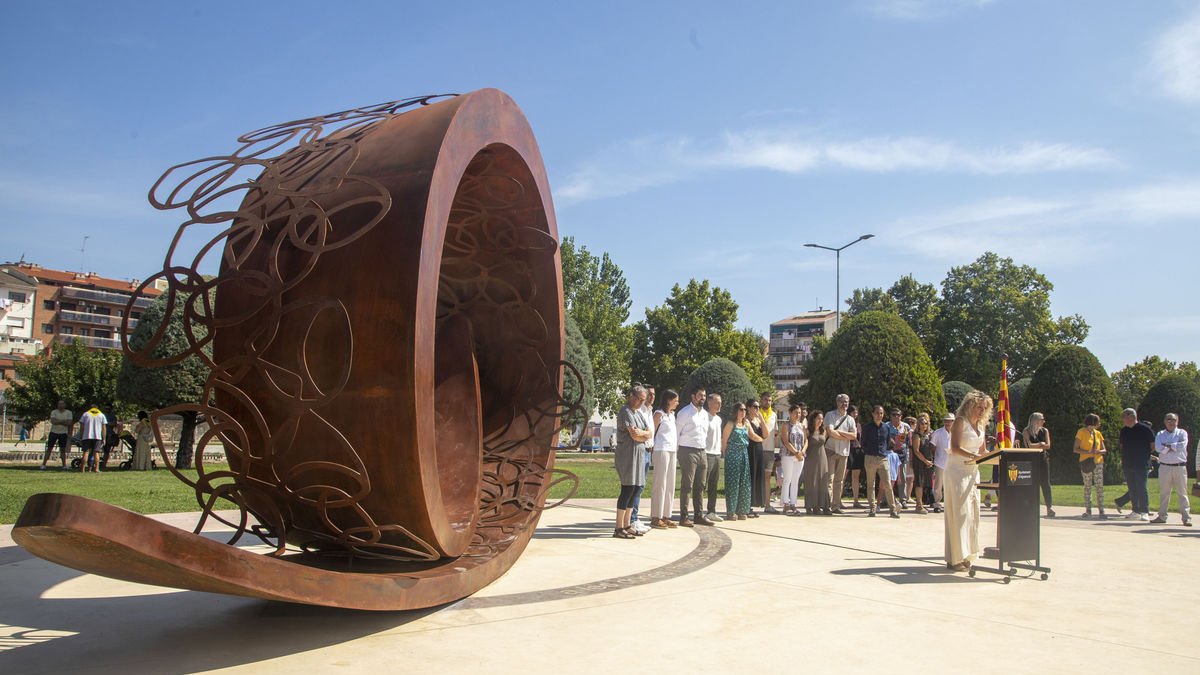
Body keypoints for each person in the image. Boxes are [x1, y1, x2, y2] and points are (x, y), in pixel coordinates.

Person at [945, 390, 991, 572]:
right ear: (970, 405)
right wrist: (974, 456)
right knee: (959, 514)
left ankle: (967, 554)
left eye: (984, 408)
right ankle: (954, 558)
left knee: (972, 514)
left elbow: (983, 451)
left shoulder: (981, 425)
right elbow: (955, 448)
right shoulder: (960, 422)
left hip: (973, 472)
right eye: (979, 407)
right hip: (957, 471)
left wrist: (999, 453)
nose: (981, 411)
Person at [613, 386, 651, 539]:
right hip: (628, 456)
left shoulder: (639, 414)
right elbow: (634, 435)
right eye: (638, 399)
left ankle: (627, 524)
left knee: (635, 489)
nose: (640, 402)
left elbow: (649, 433)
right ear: (631, 396)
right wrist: (643, 434)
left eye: (643, 400)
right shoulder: (625, 411)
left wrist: (643, 434)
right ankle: (618, 527)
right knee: (627, 489)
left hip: (639, 456)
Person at [675, 388, 713, 527]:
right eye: (700, 395)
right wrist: (676, 453)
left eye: (704, 395)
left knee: (701, 485)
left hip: (702, 451)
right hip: (687, 450)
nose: (702, 398)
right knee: (687, 485)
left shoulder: (705, 414)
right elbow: (676, 433)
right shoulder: (684, 413)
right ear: (693, 396)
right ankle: (684, 516)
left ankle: (698, 515)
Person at [1151, 413, 1191, 526]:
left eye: (1173, 420)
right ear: (1165, 421)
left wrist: (1167, 446)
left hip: (1179, 466)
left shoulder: (1182, 433)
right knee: (1164, 493)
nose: (1171, 422)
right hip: (1164, 467)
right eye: (1168, 420)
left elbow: (1181, 446)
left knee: (1182, 493)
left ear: (1177, 421)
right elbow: (1158, 448)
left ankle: (1186, 517)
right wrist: (1172, 446)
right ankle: (1162, 516)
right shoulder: (1160, 434)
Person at [723, 402, 761, 520]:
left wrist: (763, 439)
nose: (743, 411)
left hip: (744, 453)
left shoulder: (746, 423)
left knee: (744, 482)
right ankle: (731, 512)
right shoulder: (730, 423)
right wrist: (725, 455)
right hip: (733, 455)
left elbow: (752, 435)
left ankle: (742, 510)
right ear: (736, 411)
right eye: (741, 409)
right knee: (733, 483)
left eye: (745, 410)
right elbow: (724, 441)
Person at [1115, 408, 1154, 521]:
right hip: (1128, 464)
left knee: (1142, 488)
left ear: (1132, 417)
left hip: (1141, 464)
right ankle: (1135, 510)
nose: (1124, 420)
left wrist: (1143, 455)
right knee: (1132, 488)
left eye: (1125, 417)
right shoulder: (1124, 431)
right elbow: (1122, 446)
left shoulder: (1145, 429)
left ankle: (1144, 511)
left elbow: (1152, 446)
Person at [862, 405, 900, 518]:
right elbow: (863, 442)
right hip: (870, 457)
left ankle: (892, 510)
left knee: (888, 484)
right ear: (873, 414)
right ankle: (872, 508)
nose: (879, 415)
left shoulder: (886, 427)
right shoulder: (867, 427)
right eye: (877, 413)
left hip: (883, 458)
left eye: (881, 413)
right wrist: (869, 452)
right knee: (871, 484)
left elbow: (888, 442)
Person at [650, 390, 680, 529]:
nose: (677, 403)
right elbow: (652, 433)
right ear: (669, 400)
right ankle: (656, 516)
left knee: (670, 484)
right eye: (675, 400)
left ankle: (666, 515)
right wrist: (650, 451)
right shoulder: (658, 414)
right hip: (661, 450)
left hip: (672, 450)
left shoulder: (672, 415)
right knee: (660, 484)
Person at [629, 385, 656, 533]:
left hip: (647, 450)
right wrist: (646, 434)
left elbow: (649, 432)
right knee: (635, 486)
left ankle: (635, 517)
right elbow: (637, 433)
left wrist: (646, 434)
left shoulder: (649, 411)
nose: (651, 397)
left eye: (653, 395)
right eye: (649, 394)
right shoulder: (638, 411)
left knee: (641, 486)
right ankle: (632, 519)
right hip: (639, 450)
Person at [824, 394, 856, 513]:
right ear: (837, 402)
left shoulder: (850, 419)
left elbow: (854, 436)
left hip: (844, 452)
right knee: (829, 480)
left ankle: (836, 506)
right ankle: (827, 506)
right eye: (842, 402)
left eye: (847, 402)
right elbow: (830, 433)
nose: (845, 404)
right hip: (831, 450)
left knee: (839, 480)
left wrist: (839, 433)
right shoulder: (830, 415)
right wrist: (845, 435)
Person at [1073, 413, 1108, 519]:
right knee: (1087, 486)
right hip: (1086, 461)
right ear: (1093, 422)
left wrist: (1098, 451)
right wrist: (1088, 452)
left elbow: (1104, 450)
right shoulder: (1081, 432)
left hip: (1098, 462)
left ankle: (1101, 510)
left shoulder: (1098, 434)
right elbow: (1075, 449)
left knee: (1099, 486)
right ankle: (1088, 510)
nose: (1099, 424)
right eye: (1098, 422)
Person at [1022, 412, 1056, 518]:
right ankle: (1032, 507)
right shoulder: (1026, 431)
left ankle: (1049, 507)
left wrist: (1039, 445)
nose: (1043, 421)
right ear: (1035, 420)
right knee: (1032, 483)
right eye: (1042, 419)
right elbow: (1029, 446)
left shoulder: (1044, 431)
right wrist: (1040, 444)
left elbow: (1048, 445)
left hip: (1043, 458)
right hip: (1031, 459)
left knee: (1046, 483)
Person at [779, 403, 806, 515]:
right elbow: (786, 441)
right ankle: (785, 503)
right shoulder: (786, 425)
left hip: (800, 456)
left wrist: (802, 451)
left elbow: (806, 440)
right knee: (787, 479)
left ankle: (793, 503)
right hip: (788, 456)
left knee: (795, 480)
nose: (798, 415)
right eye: (795, 412)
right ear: (790, 413)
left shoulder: (801, 426)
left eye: (799, 413)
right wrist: (795, 452)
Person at [802, 409, 830, 515]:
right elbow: (805, 444)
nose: (820, 421)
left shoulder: (824, 431)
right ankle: (810, 506)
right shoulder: (808, 431)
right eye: (818, 418)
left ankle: (821, 505)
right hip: (811, 459)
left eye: (822, 419)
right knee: (811, 482)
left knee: (822, 482)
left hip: (822, 458)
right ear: (813, 419)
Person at [702, 393, 724, 523]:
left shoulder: (719, 419)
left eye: (720, 402)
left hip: (716, 455)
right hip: (706, 454)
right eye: (717, 402)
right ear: (709, 403)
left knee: (713, 485)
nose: (720, 404)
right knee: (702, 484)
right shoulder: (704, 417)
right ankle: (698, 512)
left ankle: (711, 511)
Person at [758, 392, 780, 514]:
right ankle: (751, 504)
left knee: (767, 477)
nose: (768, 402)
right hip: (757, 449)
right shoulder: (756, 414)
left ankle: (767, 504)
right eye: (765, 400)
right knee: (756, 476)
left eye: (770, 400)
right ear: (761, 400)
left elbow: (775, 433)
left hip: (769, 450)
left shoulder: (774, 415)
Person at [886, 410, 912, 509]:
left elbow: (909, 442)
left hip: (902, 455)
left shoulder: (906, 427)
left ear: (901, 416)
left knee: (902, 478)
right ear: (890, 416)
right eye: (894, 415)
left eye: (898, 415)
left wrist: (909, 456)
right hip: (890, 455)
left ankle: (903, 500)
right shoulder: (886, 426)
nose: (896, 417)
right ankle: (886, 499)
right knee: (888, 478)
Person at [910, 413, 935, 514]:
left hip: (928, 462)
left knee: (925, 483)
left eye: (925, 423)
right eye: (921, 423)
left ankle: (921, 503)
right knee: (919, 483)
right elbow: (916, 451)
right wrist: (925, 461)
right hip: (920, 462)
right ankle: (918, 505)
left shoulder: (928, 435)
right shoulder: (917, 436)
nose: (924, 425)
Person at [746, 400, 767, 515]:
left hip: (759, 451)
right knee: (750, 477)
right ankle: (746, 505)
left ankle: (752, 504)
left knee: (758, 477)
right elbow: (752, 436)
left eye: (758, 407)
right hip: (750, 450)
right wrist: (762, 439)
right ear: (748, 408)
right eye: (755, 407)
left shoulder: (758, 420)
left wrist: (762, 419)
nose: (757, 409)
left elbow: (766, 434)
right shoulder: (746, 420)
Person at [40, 400, 74, 470]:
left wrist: (59, 421)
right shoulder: (54, 412)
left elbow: (69, 422)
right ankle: (43, 464)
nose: (60, 405)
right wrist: (63, 421)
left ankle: (64, 465)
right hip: (53, 432)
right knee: (49, 448)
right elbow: (53, 421)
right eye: (59, 404)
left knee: (63, 449)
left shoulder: (69, 413)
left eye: (62, 404)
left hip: (63, 433)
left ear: (65, 405)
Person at [930, 413, 953, 513]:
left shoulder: (957, 433)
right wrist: (937, 456)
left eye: (950, 421)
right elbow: (932, 446)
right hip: (940, 462)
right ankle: (937, 503)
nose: (948, 423)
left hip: (952, 463)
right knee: (938, 485)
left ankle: (949, 504)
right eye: (946, 420)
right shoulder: (938, 432)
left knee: (950, 484)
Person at [78, 404, 108, 473]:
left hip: (86, 436)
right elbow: (104, 428)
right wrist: (104, 438)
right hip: (97, 437)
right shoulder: (101, 415)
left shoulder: (85, 414)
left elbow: (82, 427)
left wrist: (81, 436)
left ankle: (82, 469)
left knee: (86, 452)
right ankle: (96, 469)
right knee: (96, 452)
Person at [846, 405, 864, 508]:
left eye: (856, 413)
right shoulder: (846, 423)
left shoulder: (859, 425)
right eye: (853, 412)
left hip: (858, 450)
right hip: (848, 450)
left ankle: (856, 500)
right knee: (844, 475)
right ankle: (837, 499)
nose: (855, 414)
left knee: (856, 476)